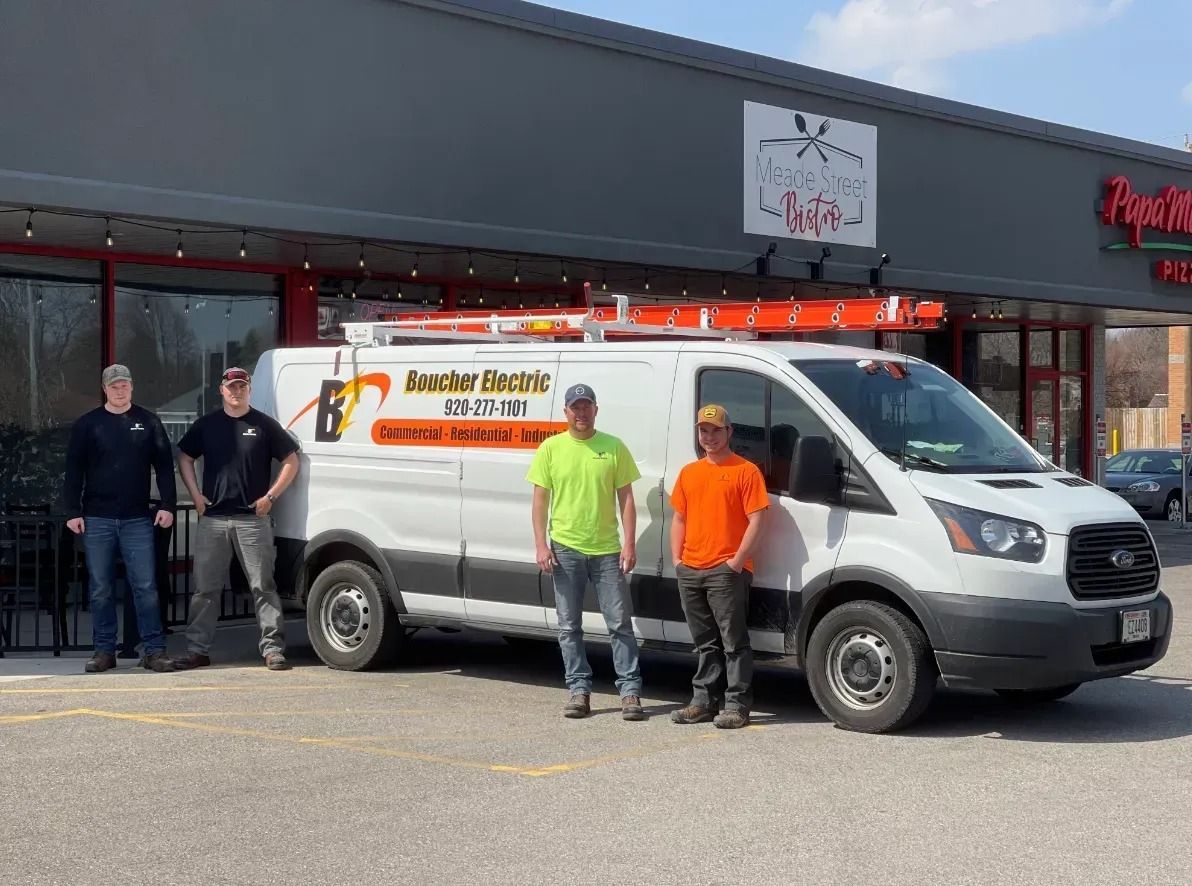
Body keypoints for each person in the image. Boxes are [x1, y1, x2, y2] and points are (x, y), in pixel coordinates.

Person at [527, 383, 645, 721]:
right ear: (565, 412)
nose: (581, 413)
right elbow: (539, 501)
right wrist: (540, 544)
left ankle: (630, 693)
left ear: (596, 409)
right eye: (575, 407)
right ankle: (579, 691)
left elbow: (627, 499)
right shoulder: (551, 449)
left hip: (607, 551)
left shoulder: (613, 447)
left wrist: (630, 542)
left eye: (586, 406)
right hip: (565, 548)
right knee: (568, 627)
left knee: (620, 624)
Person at [174, 367, 300, 671]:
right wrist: (195, 495)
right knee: (206, 588)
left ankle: (272, 649)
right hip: (213, 519)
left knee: (263, 587)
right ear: (221, 390)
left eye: (242, 386)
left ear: (249, 389)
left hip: (252, 521)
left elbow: (291, 460)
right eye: (231, 386)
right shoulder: (207, 426)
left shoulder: (264, 425)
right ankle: (197, 649)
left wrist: (270, 498)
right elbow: (184, 457)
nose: (236, 391)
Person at [62, 364, 177, 674]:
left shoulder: (148, 421)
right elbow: (74, 469)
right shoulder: (88, 425)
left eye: (124, 384)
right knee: (100, 588)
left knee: (145, 586)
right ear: (104, 388)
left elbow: (165, 466)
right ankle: (104, 651)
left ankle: (154, 650)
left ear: (132, 386)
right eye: (114, 385)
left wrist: (168, 504)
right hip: (97, 518)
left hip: (138, 519)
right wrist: (72, 510)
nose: (120, 389)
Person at [669, 404, 769, 729]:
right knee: (705, 643)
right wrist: (678, 560)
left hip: (725, 572)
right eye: (703, 431)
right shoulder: (689, 473)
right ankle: (703, 702)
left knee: (733, 642)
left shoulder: (746, 471)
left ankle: (737, 705)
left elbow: (757, 520)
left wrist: (736, 562)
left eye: (715, 430)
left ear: (729, 432)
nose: (708, 436)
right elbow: (679, 518)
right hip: (691, 568)